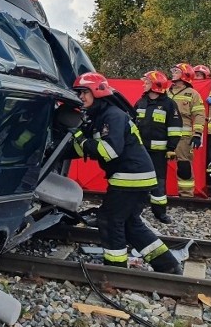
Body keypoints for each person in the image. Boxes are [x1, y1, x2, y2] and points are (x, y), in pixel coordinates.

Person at [71, 72, 182, 274]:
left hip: (130, 177)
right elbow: (84, 149)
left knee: (109, 219)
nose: (80, 97)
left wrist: (81, 139)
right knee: (131, 223)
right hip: (135, 176)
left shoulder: (112, 115)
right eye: (79, 93)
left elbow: (110, 151)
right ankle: (168, 265)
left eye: (84, 92)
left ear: (97, 92)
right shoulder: (101, 115)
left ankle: (116, 270)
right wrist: (73, 142)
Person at [134, 70, 182, 224]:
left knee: (158, 184)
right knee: (138, 181)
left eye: (147, 82)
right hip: (141, 151)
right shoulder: (140, 102)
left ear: (155, 85)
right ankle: (135, 211)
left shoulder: (169, 104)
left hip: (159, 153)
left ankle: (160, 213)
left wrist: (171, 148)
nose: (144, 85)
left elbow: (175, 127)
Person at [167, 63, 206, 197]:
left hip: (183, 138)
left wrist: (197, 134)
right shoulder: (166, 92)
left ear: (185, 75)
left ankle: (186, 195)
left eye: (176, 71)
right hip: (164, 136)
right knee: (157, 164)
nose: (173, 73)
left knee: (184, 167)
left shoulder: (192, 94)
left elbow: (200, 115)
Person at [194, 64, 211, 167]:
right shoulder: (188, 90)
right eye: (195, 75)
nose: (196, 77)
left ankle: (209, 179)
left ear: (206, 77)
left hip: (207, 131)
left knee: (207, 157)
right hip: (192, 129)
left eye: (199, 75)